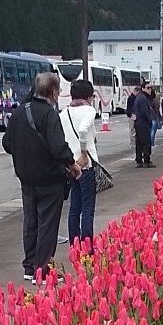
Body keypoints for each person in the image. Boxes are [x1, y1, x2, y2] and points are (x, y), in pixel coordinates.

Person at [2, 72, 81, 282]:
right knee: (48, 223)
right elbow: (58, 148)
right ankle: (43, 269)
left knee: (31, 223)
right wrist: (72, 164)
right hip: (49, 179)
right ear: (53, 92)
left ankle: (29, 267)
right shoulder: (48, 114)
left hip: (27, 179)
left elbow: (7, 144)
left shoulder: (19, 112)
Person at [59, 79, 97, 247]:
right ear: (88, 96)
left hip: (71, 166)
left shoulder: (63, 113)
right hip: (86, 165)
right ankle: (87, 245)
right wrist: (84, 153)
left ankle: (75, 245)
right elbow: (83, 130)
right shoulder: (89, 110)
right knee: (88, 208)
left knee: (74, 208)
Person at [134, 81, 155, 168]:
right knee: (146, 142)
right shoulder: (142, 98)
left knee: (139, 142)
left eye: (150, 88)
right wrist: (149, 120)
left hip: (138, 123)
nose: (150, 90)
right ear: (143, 88)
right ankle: (146, 161)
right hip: (143, 123)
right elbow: (144, 112)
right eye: (148, 88)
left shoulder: (140, 97)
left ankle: (139, 160)